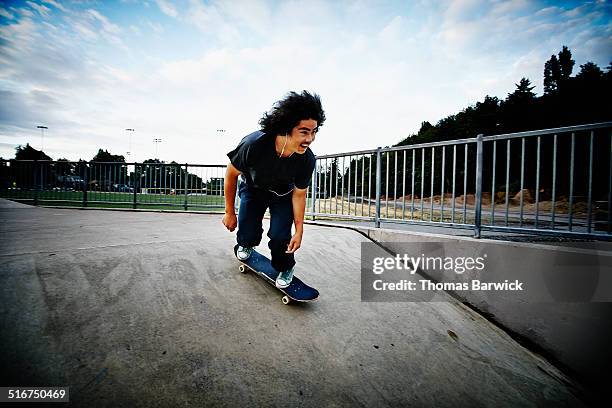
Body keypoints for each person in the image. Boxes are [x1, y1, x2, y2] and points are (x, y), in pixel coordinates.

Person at [222, 91, 325, 288]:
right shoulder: (254, 145)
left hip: (283, 195)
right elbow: (231, 174)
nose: (310, 138)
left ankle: (286, 267)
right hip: (253, 189)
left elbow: (300, 194)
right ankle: (246, 242)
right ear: (287, 128)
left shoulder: (306, 159)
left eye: (314, 132)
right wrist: (229, 212)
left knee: (280, 237)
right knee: (248, 231)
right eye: (304, 131)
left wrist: (300, 231)